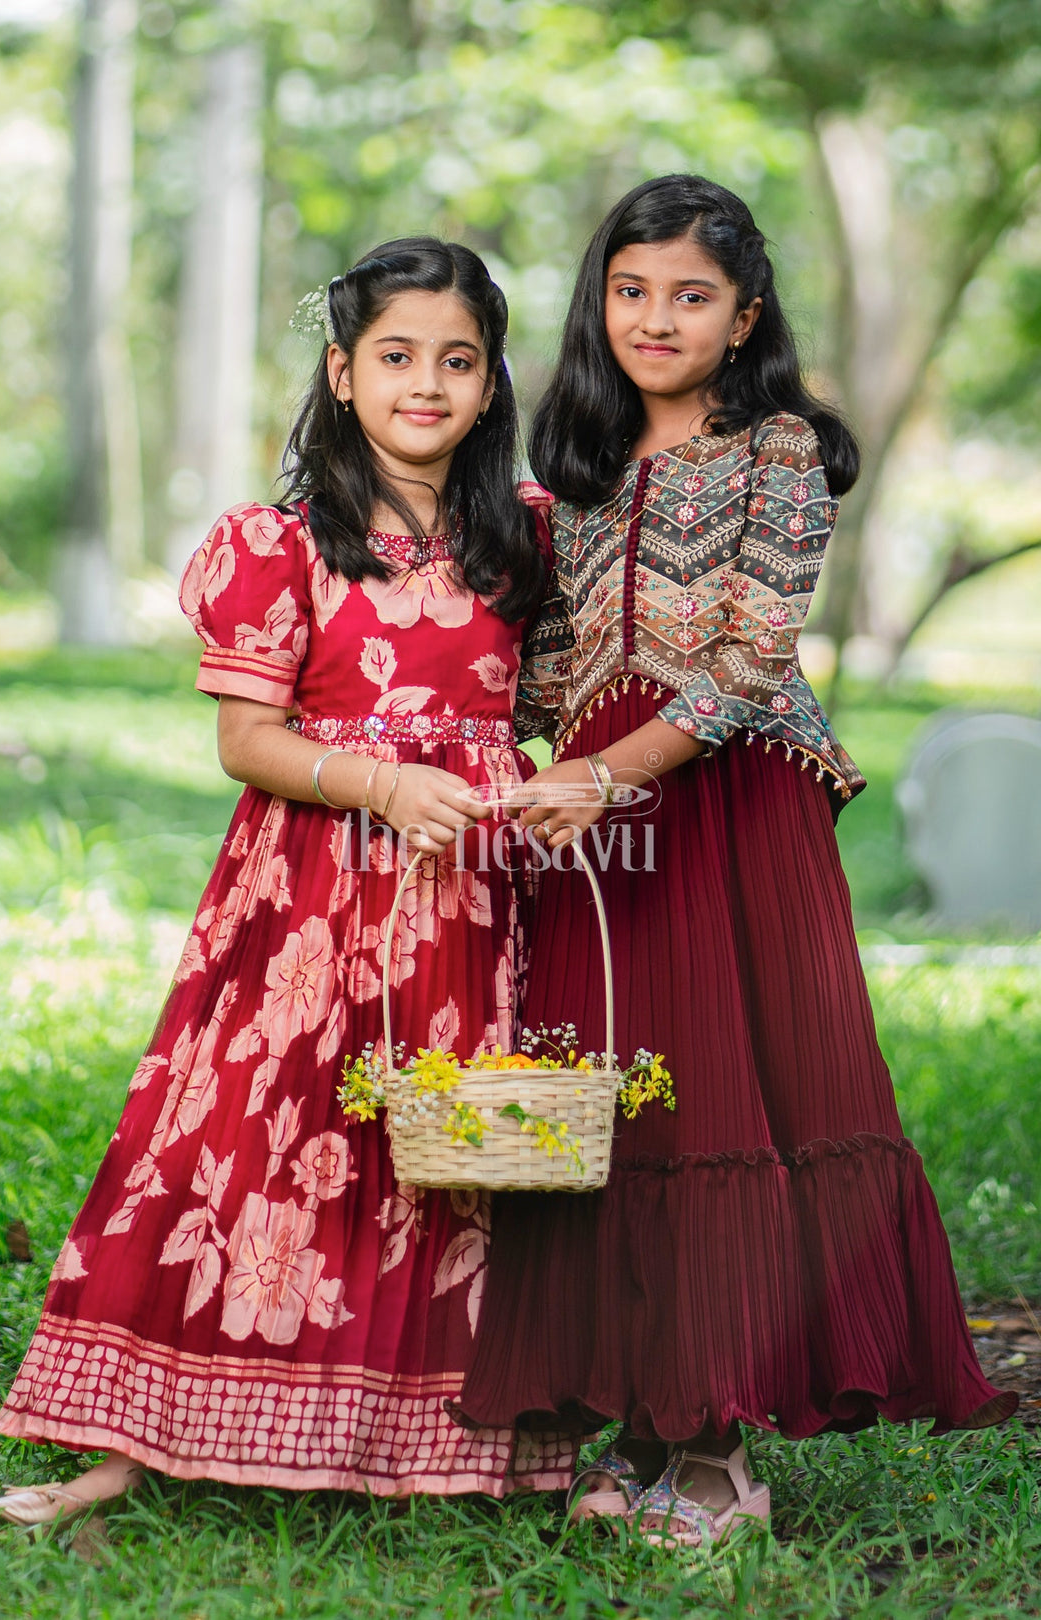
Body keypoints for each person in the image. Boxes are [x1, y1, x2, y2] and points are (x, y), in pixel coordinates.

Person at [457, 175, 1016, 1546]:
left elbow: (748, 664)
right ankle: (648, 1427)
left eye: (690, 296)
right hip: (598, 829)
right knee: (619, 1108)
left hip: (726, 802)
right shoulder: (570, 467)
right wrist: (512, 759)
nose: (656, 317)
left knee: (723, 1104)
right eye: (632, 289)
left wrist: (600, 771)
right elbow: (541, 667)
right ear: (601, 300)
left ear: (743, 314)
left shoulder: (779, 450)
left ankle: (719, 1462)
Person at [0, 237, 578, 1525]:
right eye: (397, 357)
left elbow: (558, 708)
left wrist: (535, 786)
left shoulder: (529, 538)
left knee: (462, 1146)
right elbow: (248, 742)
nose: (427, 385)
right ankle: (128, 1443)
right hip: (310, 886)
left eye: (458, 361)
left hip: (475, 890)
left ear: (491, 382)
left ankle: (460, 1439)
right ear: (341, 369)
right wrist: (385, 785)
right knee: (242, 1136)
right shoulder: (279, 539)